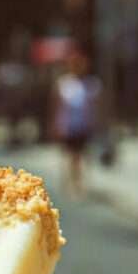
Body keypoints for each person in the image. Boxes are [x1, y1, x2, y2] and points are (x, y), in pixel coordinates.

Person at [49, 50, 100, 195]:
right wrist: (54, 124)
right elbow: (55, 106)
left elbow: (96, 107)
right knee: (69, 155)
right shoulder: (63, 83)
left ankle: (80, 183)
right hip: (67, 125)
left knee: (82, 156)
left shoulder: (91, 84)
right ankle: (68, 183)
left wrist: (97, 123)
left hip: (84, 124)